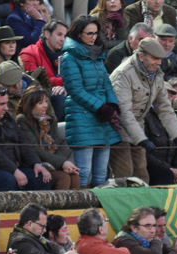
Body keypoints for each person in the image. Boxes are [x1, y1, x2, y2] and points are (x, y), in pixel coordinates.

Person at [109, 37, 177, 183]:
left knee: (142, 177)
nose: (158, 63)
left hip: (138, 129)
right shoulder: (123, 74)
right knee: (125, 176)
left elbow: (165, 108)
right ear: (141, 56)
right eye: (154, 58)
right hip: (117, 131)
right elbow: (124, 113)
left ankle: (143, 206)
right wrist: (142, 140)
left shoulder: (157, 73)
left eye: (160, 59)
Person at [61, 15, 121, 188]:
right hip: (82, 116)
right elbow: (76, 90)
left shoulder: (98, 55)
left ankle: (100, 213)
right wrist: (101, 108)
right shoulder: (69, 57)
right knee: (83, 173)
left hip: (102, 117)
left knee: (101, 174)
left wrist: (112, 105)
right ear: (79, 34)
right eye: (89, 34)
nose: (93, 37)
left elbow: (106, 83)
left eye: (96, 33)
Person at [0, 84, 52, 192]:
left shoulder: (6, 116)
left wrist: (36, 163)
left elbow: (23, 142)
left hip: (12, 166)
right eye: (1, 104)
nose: (6, 108)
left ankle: (37, 209)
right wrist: (14, 170)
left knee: (41, 177)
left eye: (7, 103)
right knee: (8, 180)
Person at [16, 86, 80, 190]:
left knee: (74, 176)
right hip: (32, 164)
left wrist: (61, 164)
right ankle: (57, 206)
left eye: (46, 101)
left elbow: (56, 146)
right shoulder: (22, 120)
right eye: (40, 103)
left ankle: (79, 206)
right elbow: (34, 149)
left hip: (51, 162)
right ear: (30, 105)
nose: (45, 105)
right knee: (63, 178)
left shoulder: (50, 119)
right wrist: (62, 163)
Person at [8, 203, 79, 254]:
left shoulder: (32, 237)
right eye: (42, 226)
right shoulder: (19, 241)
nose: (45, 230)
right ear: (30, 224)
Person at [113, 206, 177, 254]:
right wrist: (157, 241)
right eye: (147, 226)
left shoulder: (148, 239)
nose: (152, 231)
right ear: (134, 228)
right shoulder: (124, 242)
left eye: (154, 226)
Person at [19, 19, 68, 94]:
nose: (63, 40)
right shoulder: (29, 53)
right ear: (47, 34)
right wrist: (65, 81)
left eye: (65, 36)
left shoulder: (65, 54)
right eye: (59, 34)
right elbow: (36, 82)